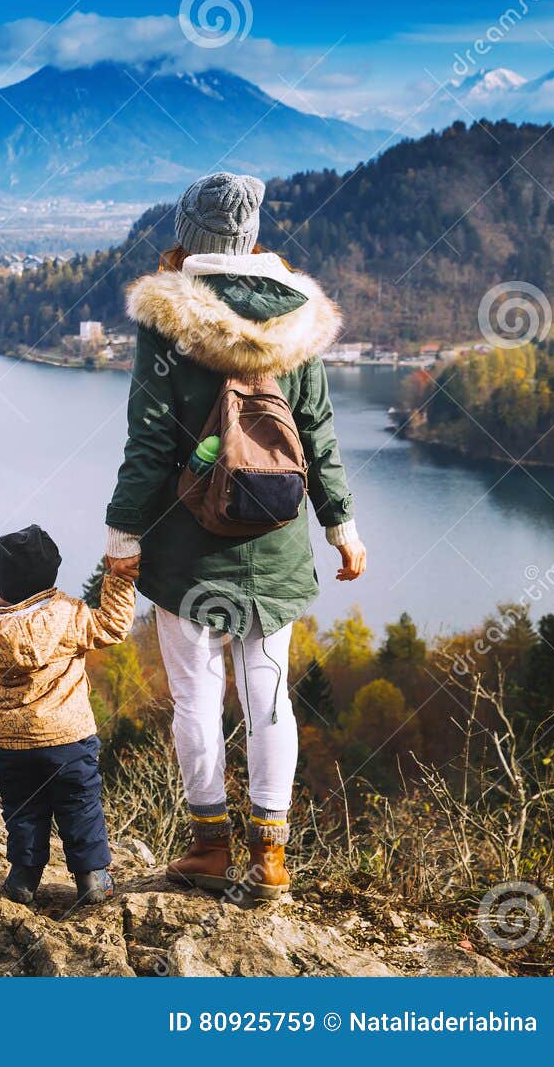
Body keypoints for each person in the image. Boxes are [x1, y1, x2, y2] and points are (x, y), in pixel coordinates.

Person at [103, 171, 366, 901]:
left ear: (188, 234)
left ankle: (210, 847)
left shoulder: (167, 317)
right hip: (276, 541)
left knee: (196, 698)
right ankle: (271, 861)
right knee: (269, 696)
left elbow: (150, 445)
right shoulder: (298, 318)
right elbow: (314, 432)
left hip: (188, 550)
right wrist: (341, 524)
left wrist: (124, 537)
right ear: (250, 238)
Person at [0, 524, 136, 908]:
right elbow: (114, 626)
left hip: (11, 743)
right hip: (69, 739)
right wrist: (117, 579)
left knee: (23, 810)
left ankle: (23, 877)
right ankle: (92, 877)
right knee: (79, 805)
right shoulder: (67, 616)